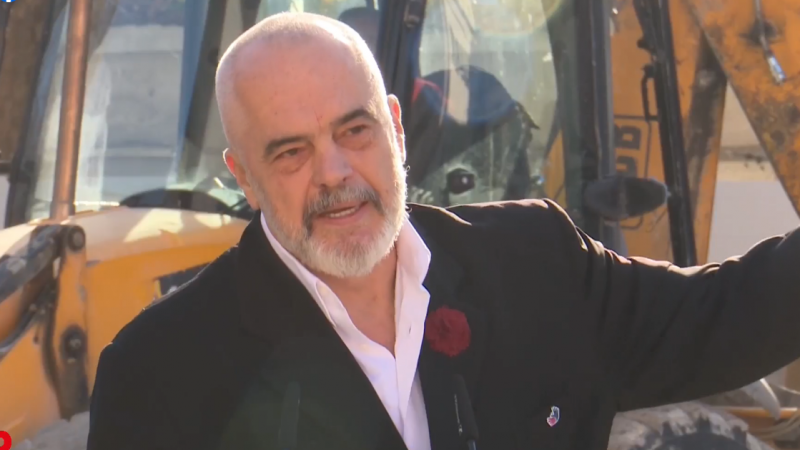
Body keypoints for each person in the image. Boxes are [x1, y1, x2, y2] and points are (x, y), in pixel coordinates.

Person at [86, 12, 800, 450]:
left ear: (396, 129)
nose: (335, 172)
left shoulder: (536, 266)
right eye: (292, 152)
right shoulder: (159, 374)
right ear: (245, 177)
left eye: (355, 131)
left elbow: (732, 313)